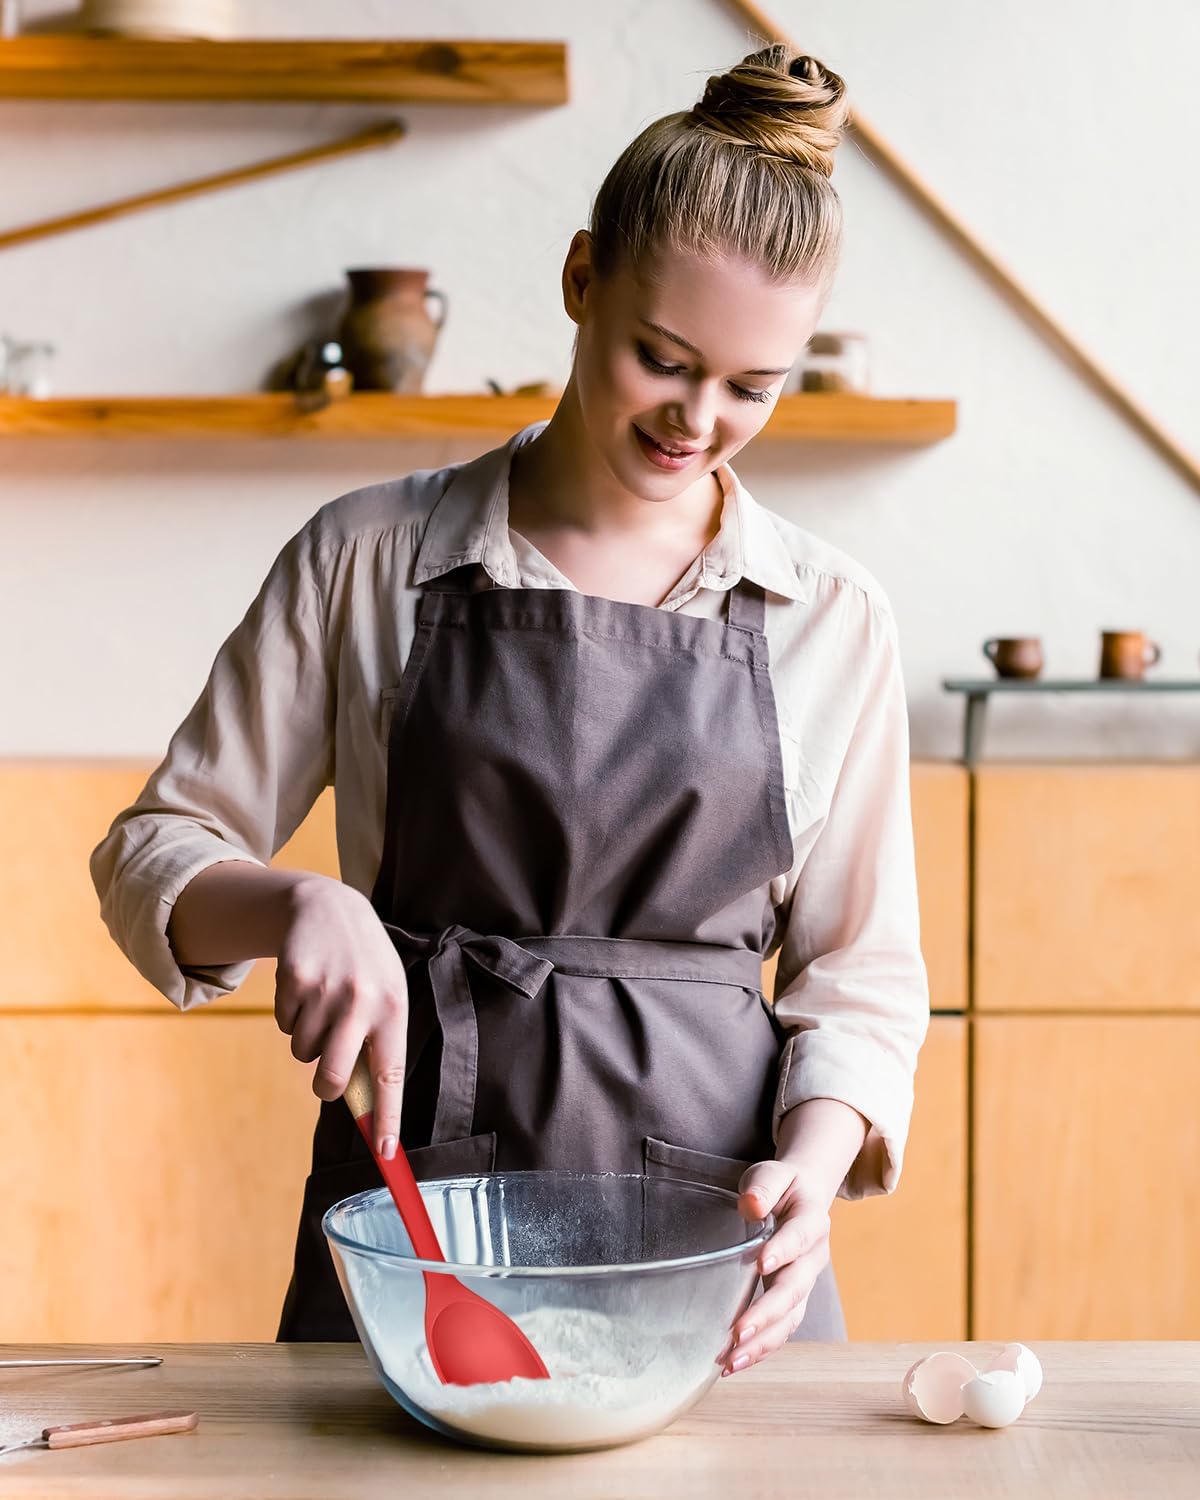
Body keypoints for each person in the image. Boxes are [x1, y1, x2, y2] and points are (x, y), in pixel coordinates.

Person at [91, 44, 929, 1374]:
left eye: (751, 389)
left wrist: (812, 1178)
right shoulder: (369, 559)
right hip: (418, 1237)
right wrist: (297, 903)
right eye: (663, 358)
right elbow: (155, 851)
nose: (697, 419)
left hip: (716, 1262)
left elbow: (861, 979)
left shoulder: (831, 616)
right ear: (582, 279)